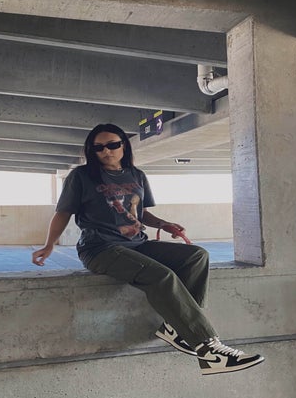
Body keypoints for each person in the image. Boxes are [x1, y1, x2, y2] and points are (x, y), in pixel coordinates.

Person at [32, 123, 264, 375]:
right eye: (98, 148)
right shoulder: (81, 176)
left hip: (138, 243)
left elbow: (141, 213)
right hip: (100, 248)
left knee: (197, 256)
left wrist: (163, 224)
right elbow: (63, 212)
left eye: (112, 145)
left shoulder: (137, 175)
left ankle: (176, 329)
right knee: (161, 276)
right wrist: (49, 244)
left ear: (124, 146)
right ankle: (208, 348)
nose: (106, 151)